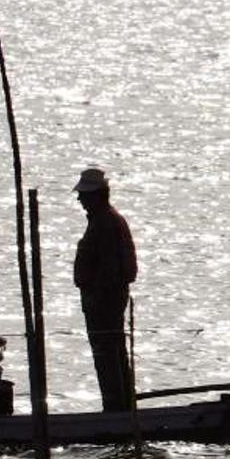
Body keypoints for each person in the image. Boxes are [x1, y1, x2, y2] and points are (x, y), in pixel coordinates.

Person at [73, 167, 138, 412]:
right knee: (113, 351)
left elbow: (110, 269)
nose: (80, 199)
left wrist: (97, 298)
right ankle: (120, 407)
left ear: (97, 195)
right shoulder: (107, 220)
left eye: (84, 194)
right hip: (105, 299)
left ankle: (116, 409)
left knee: (107, 353)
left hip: (103, 301)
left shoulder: (105, 223)